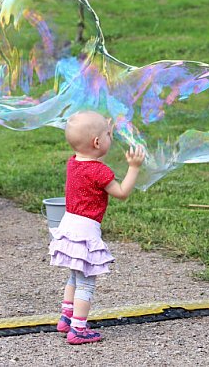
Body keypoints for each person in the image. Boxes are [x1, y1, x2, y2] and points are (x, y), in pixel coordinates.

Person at [49, 111, 146, 345]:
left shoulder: (73, 162)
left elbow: (90, 146)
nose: (111, 138)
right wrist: (133, 167)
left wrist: (102, 129)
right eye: (109, 135)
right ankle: (78, 330)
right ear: (97, 142)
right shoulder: (99, 171)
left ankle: (66, 317)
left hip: (69, 224)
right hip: (85, 230)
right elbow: (121, 193)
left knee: (74, 275)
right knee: (86, 281)